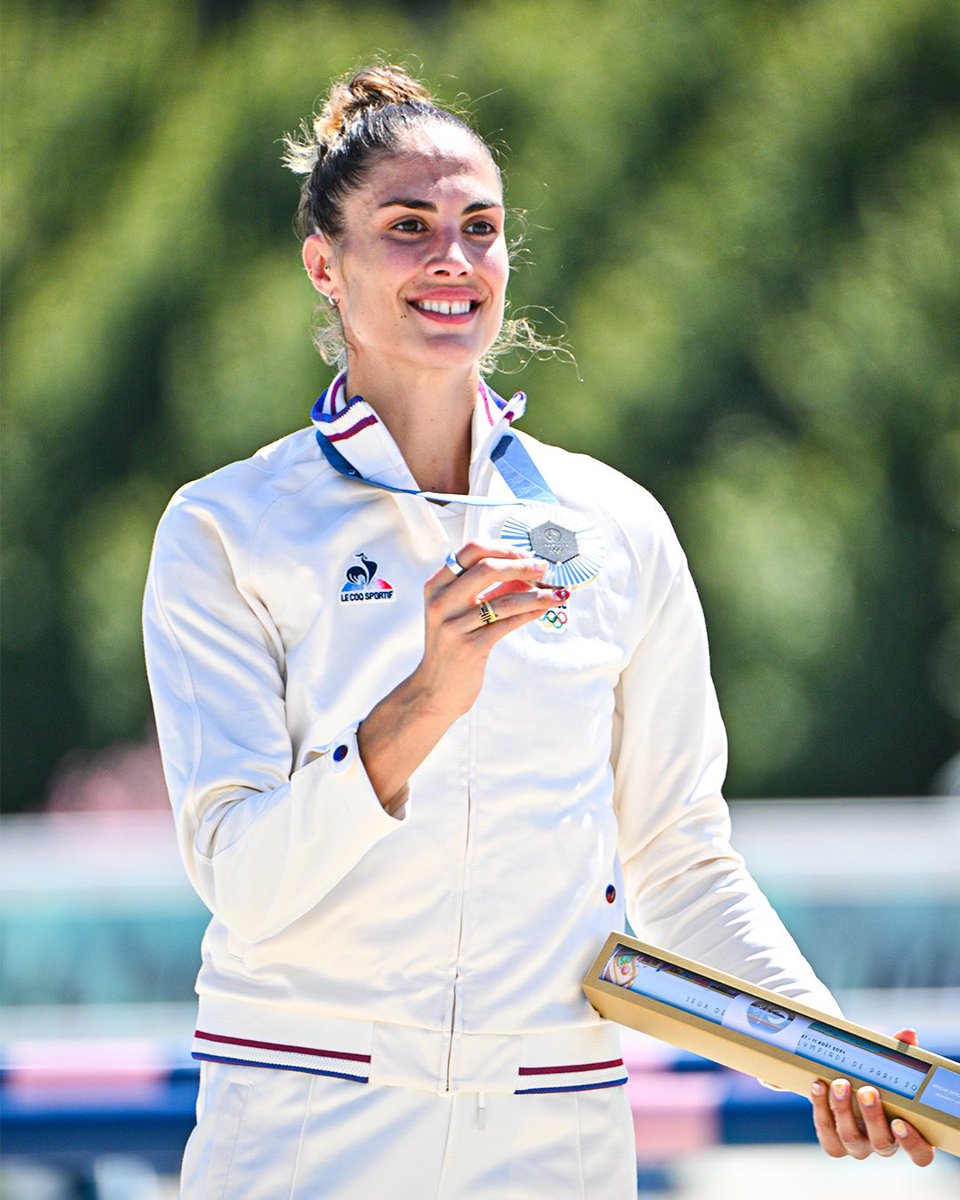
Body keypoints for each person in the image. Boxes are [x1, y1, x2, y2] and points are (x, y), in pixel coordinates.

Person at [143, 65, 935, 1198]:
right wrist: (422, 705)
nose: (452, 258)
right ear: (325, 264)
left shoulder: (614, 526)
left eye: (480, 227)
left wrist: (828, 1055)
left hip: (554, 1135)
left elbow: (680, 862)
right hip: (307, 1123)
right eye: (407, 228)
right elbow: (244, 880)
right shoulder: (226, 528)